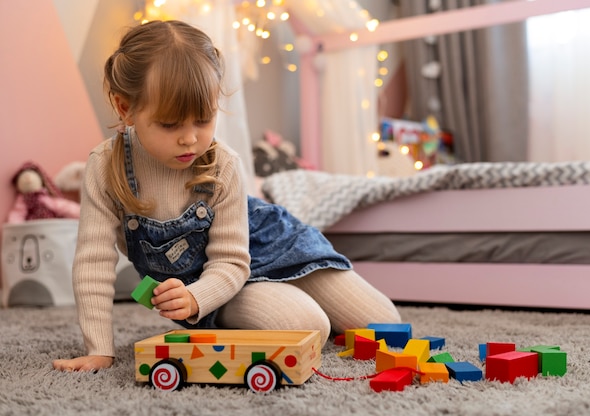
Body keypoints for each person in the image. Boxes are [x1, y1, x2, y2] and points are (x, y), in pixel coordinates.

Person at [52, 20, 401, 372]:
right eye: (171, 125)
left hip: (267, 246)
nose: (190, 138)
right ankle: (282, 304)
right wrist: (100, 348)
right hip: (215, 285)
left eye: (203, 120)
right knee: (310, 326)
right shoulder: (104, 168)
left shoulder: (224, 166)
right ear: (124, 108)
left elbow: (233, 259)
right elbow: (93, 264)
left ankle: (299, 290)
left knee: (386, 324)